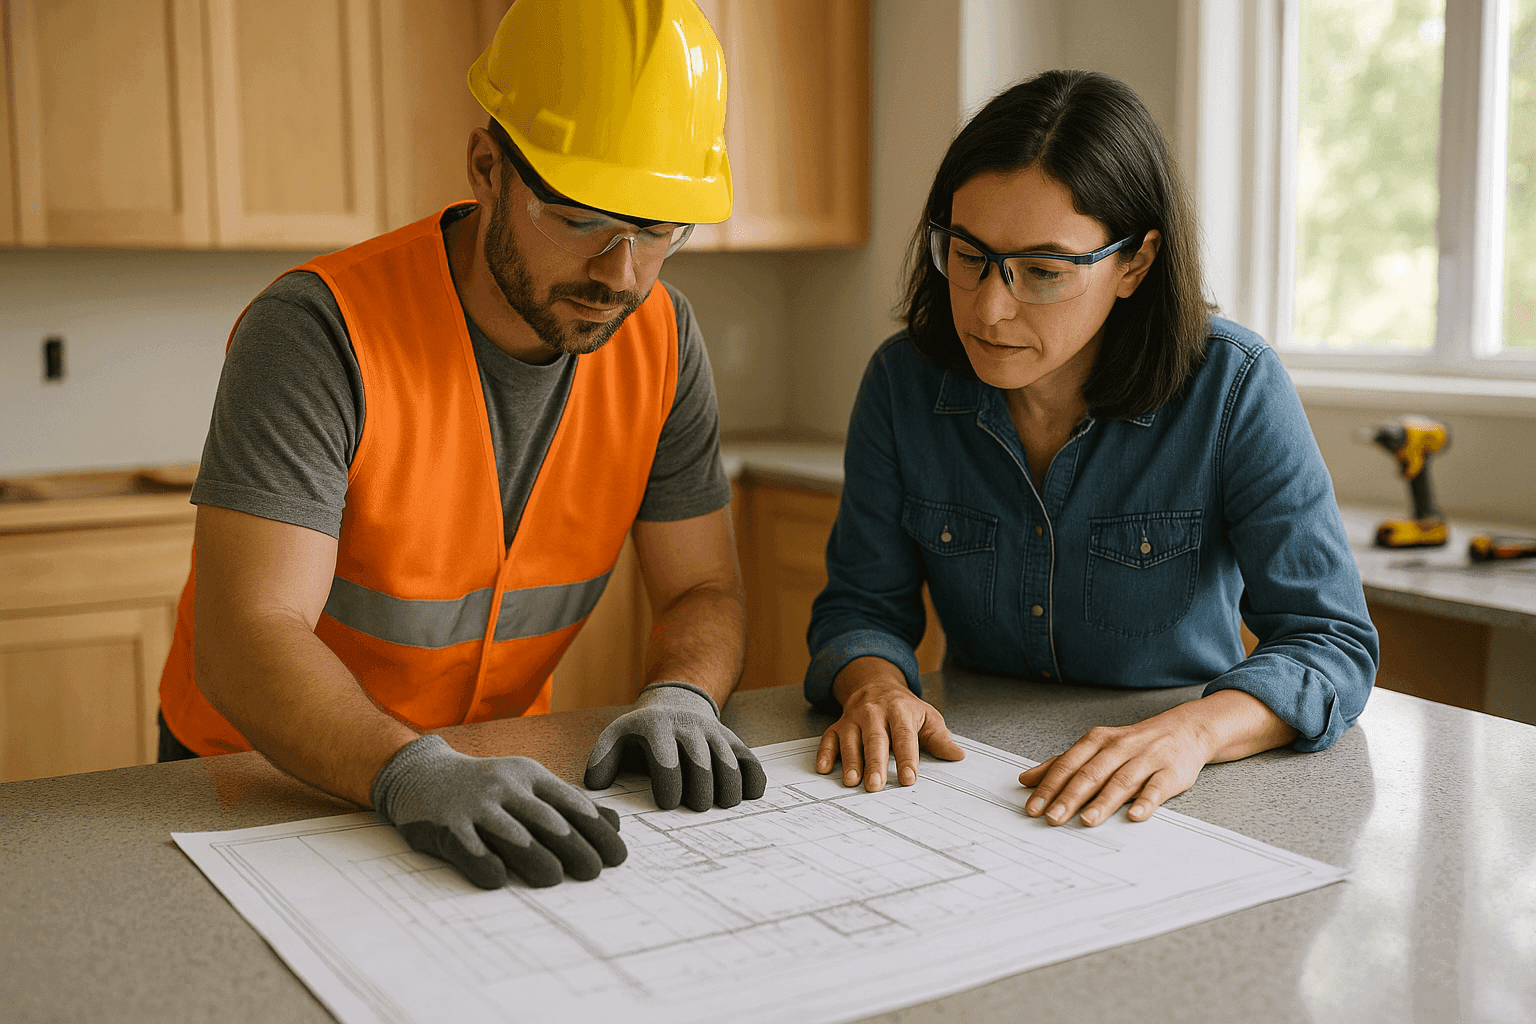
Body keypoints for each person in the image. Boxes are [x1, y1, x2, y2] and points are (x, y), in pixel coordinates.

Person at [156, 0, 765, 890]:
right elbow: (250, 637)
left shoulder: (665, 341)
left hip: (491, 774)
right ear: (487, 168)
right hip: (256, 778)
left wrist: (682, 692)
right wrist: (412, 770)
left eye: (660, 229)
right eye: (580, 216)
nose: (620, 273)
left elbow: (702, 587)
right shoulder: (321, 330)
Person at [806, 70, 1378, 829]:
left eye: (1042, 271)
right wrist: (873, 685)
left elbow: (1329, 640)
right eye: (968, 254)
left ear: (1135, 264)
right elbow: (861, 605)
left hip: (1179, 781)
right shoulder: (901, 383)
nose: (989, 306)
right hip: (970, 780)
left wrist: (1195, 733)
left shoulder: (1232, 387)